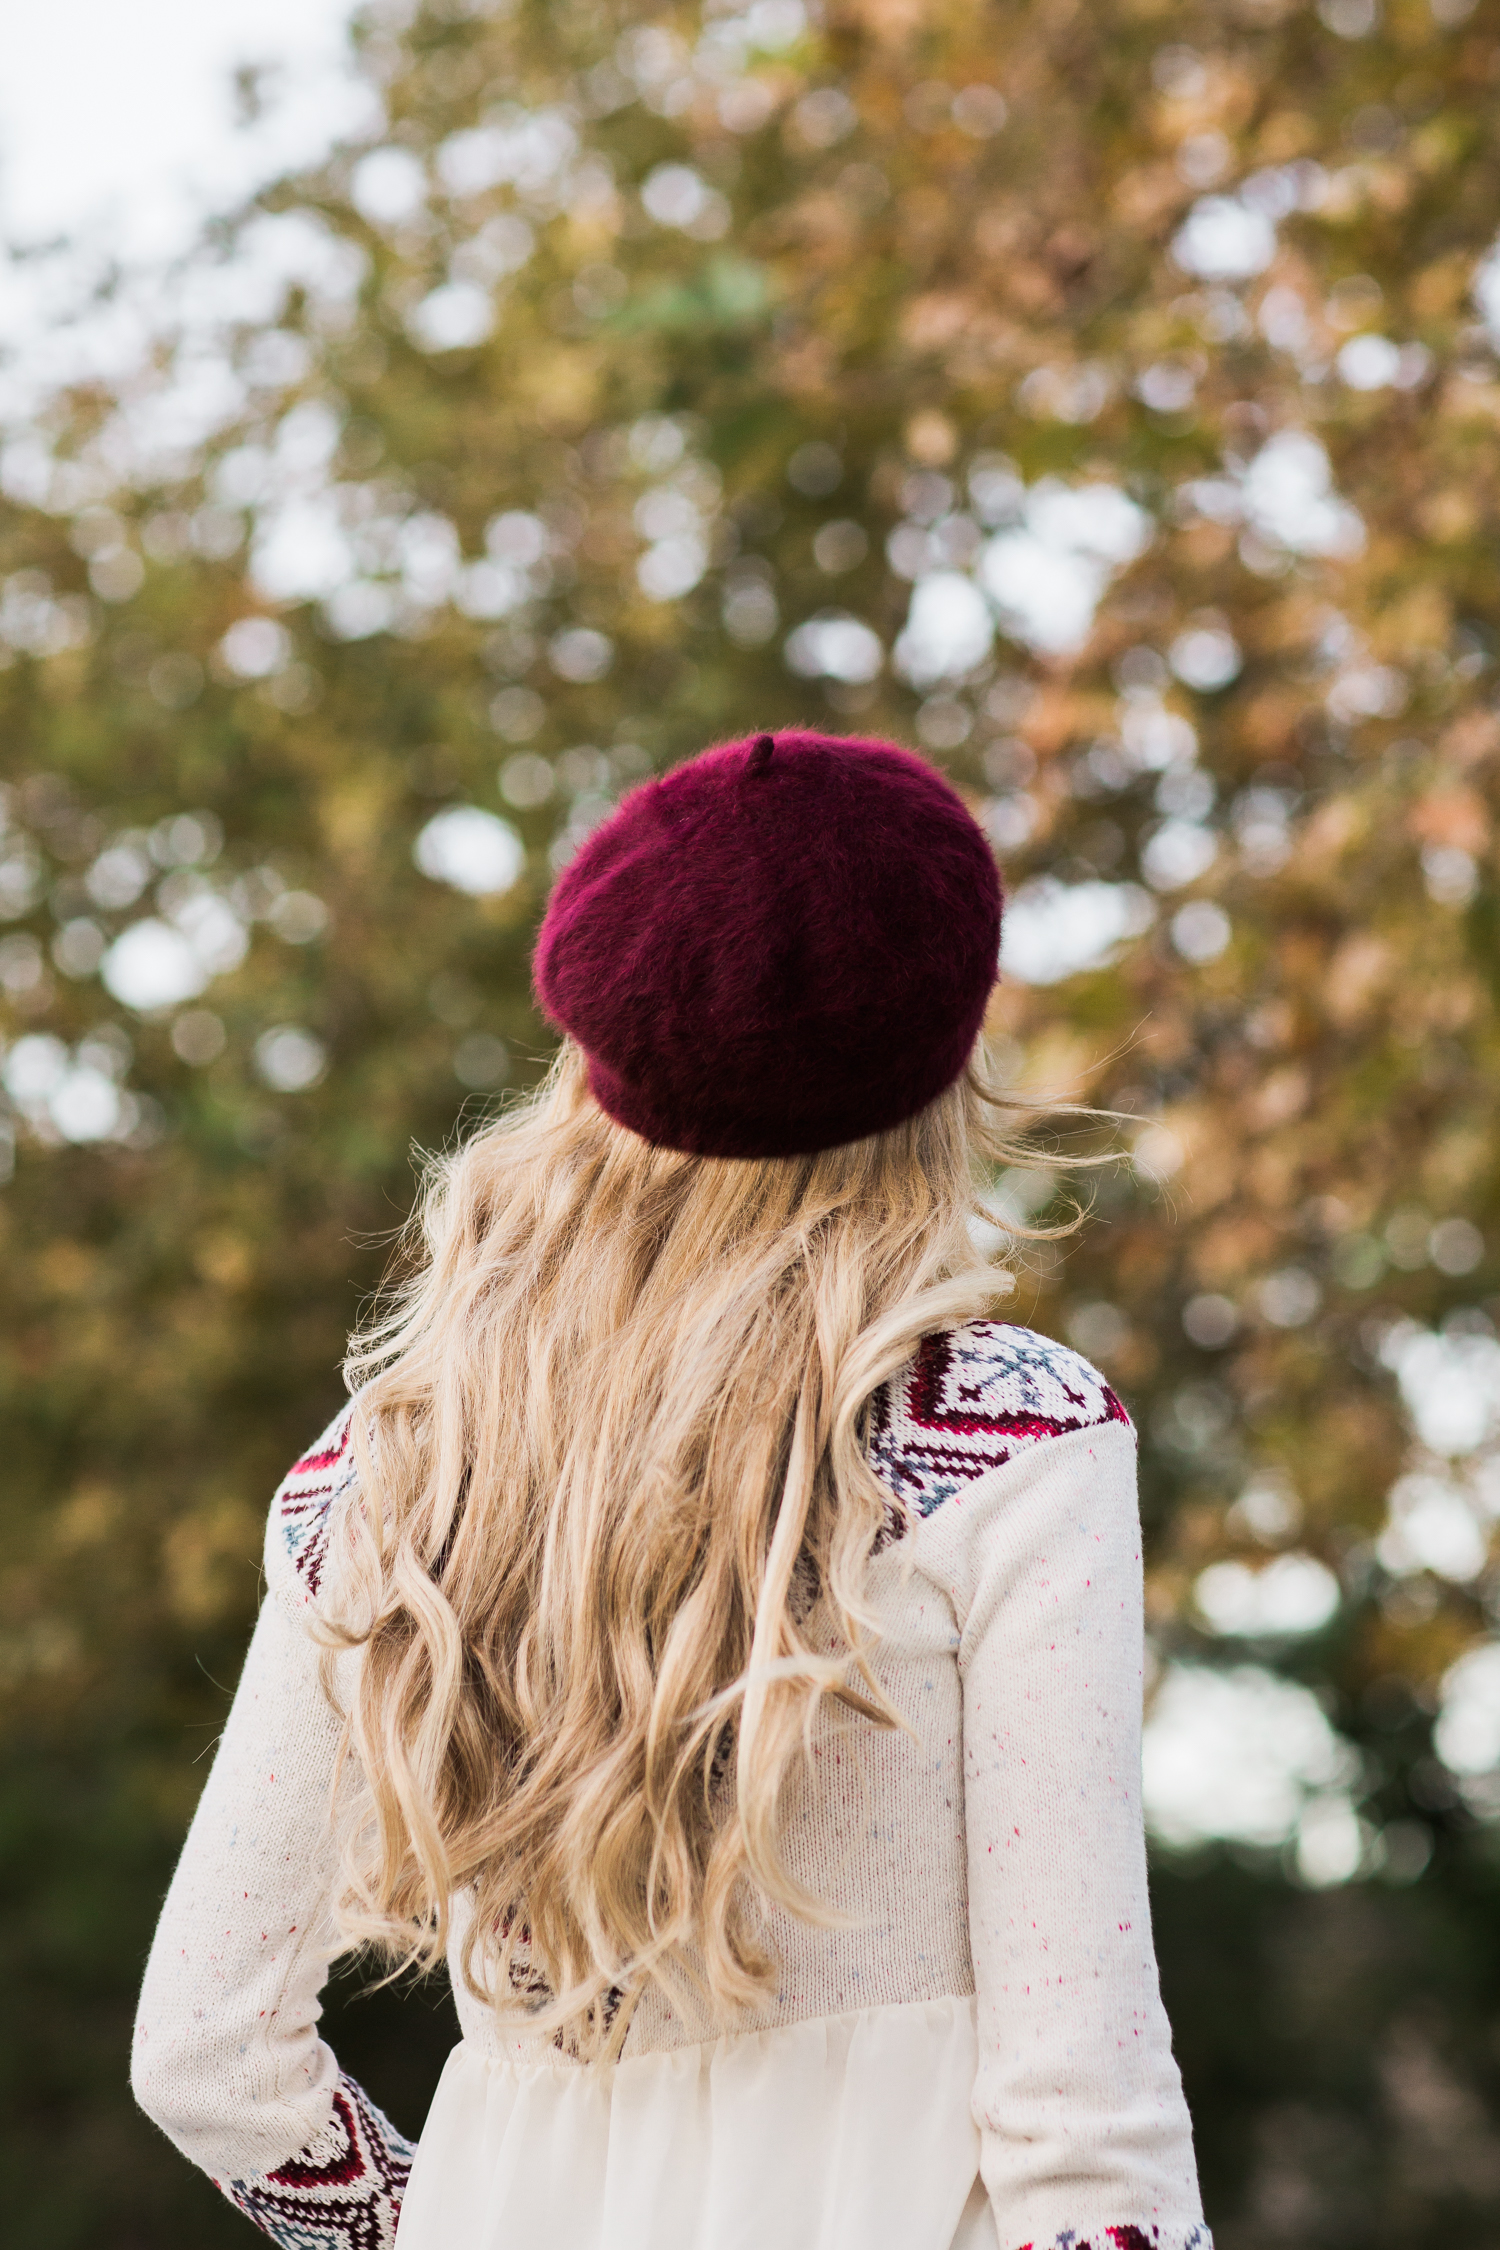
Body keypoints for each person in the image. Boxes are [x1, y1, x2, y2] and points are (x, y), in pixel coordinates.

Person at [132, 729, 1211, 2250]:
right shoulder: (1012, 1440)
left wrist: (434, 2220)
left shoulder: (380, 1474)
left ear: (598, 1045)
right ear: (947, 1051)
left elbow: (206, 2054)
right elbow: (1081, 2127)